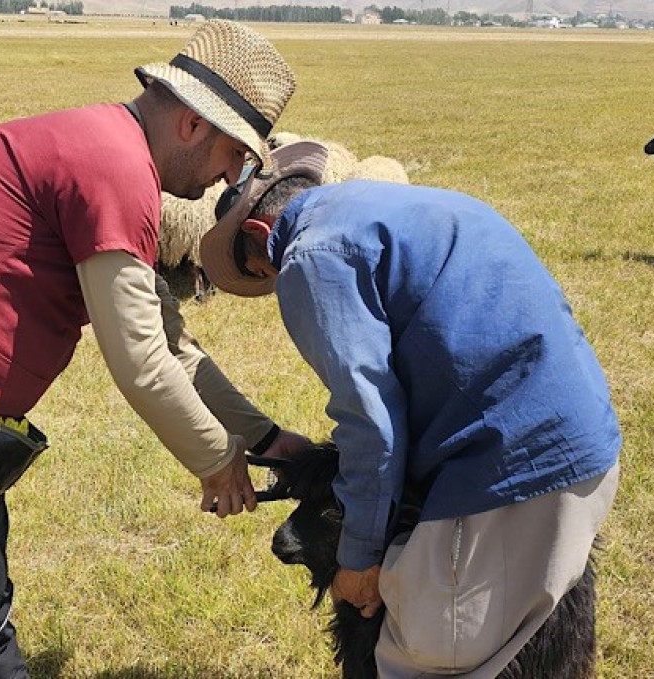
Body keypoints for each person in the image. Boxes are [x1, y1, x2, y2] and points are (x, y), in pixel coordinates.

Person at [0, 20, 308, 678]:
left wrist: (267, 439)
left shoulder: (107, 151)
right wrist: (218, 460)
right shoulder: (113, 166)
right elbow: (142, 363)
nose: (230, 176)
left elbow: (166, 339)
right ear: (192, 124)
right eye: (234, 154)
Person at [200, 141, 623, 678]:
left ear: (262, 237)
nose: (275, 283)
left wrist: (357, 561)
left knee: (417, 657)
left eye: (263, 273)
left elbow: (372, 428)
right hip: (584, 450)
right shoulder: (424, 210)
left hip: (509, 476)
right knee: (528, 654)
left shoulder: (311, 253)